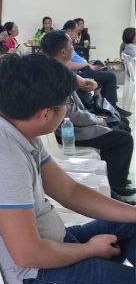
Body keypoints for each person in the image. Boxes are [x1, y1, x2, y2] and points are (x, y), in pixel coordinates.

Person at [0, 53, 136, 284]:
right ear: (45, 114)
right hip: (35, 279)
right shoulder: (4, 158)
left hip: (54, 245)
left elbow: (69, 191)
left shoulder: (17, 128)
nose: (66, 109)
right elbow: (28, 254)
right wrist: (89, 250)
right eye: (65, 103)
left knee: (131, 222)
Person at [40, 31, 135, 201]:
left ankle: (115, 182)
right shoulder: (56, 76)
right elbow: (71, 115)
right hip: (68, 131)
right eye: (71, 45)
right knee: (123, 138)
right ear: (63, 52)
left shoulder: (55, 69)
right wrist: (98, 120)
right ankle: (115, 188)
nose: (73, 48)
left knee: (120, 125)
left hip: (72, 123)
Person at [61, 20, 128, 116]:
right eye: (76, 32)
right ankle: (112, 105)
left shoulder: (67, 41)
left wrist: (87, 63)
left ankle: (104, 102)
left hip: (83, 67)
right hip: (81, 70)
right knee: (111, 76)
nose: (77, 34)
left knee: (100, 65)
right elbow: (68, 64)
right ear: (69, 31)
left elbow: (74, 59)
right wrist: (86, 64)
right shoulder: (63, 43)